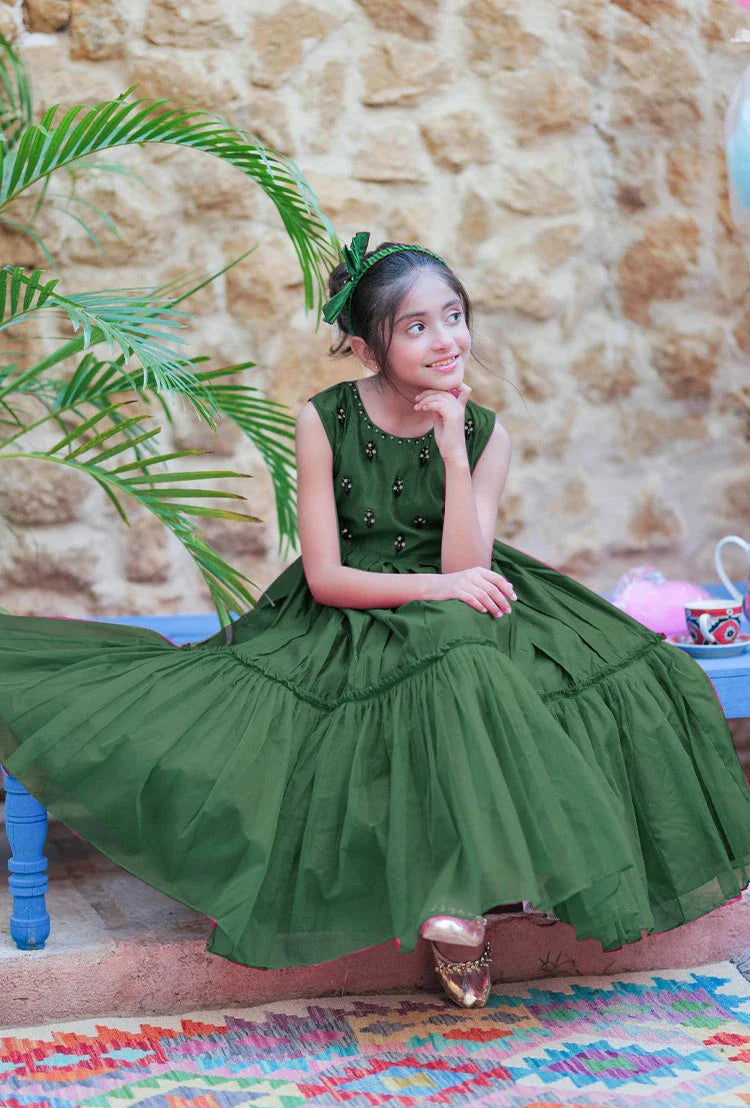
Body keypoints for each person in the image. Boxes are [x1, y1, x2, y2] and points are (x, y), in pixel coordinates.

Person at [1, 233, 749, 1011]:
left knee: (588, 667)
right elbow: (326, 578)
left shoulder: (487, 434)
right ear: (366, 348)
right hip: (352, 606)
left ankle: (472, 893)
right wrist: (438, 588)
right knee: (448, 655)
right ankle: (456, 907)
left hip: (466, 593)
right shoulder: (324, 420)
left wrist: (452, 452)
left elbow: (467, 563)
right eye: (416, 326)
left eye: (454, 315)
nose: (447, 339)